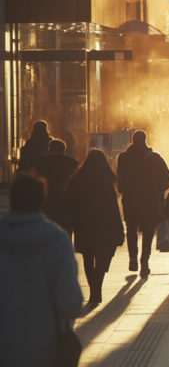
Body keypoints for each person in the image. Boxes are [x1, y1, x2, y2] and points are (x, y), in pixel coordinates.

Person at [0, 175, 84, 366]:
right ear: (41, 200)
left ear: (11, 199)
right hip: (46, 350)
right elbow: (71, 303)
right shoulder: (57, 240)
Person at [64, 150, 125, 304]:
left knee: (88, 256)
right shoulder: (105, 181)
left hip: (83, 225)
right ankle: (96, 287)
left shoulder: (76, 179)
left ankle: (94, 290)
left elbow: (67, 203)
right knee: (104, 256)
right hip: (104, 226)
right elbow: (113, 207)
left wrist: (74, 219)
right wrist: (119, 228)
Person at [116, 131, 169, 278]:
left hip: (130, 201)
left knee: (131, 230)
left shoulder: (123, 158)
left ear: (132, 140)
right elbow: (167, 178)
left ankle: (133, 258)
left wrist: (123, 190)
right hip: (150, 202)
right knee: (148, 232)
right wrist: (158, 191)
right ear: (145, 140)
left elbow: (119, 180)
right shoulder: (155, 158)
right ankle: (144, 262)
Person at [31, 139, 79, 235]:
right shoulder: (72, 163)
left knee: (44, 234)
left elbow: (32, 184)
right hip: (64, 205)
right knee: (65, 233)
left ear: (49, 149)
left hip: (44, 204)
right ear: (64, 150)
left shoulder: (38, 162)